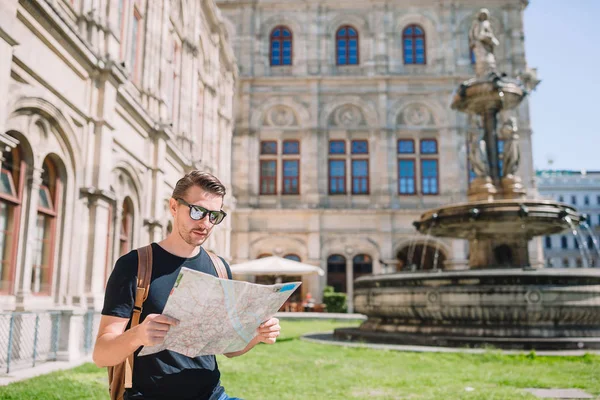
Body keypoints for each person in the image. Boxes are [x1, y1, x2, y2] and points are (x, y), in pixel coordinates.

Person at [93, 171, 281, 400]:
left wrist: (257, 335)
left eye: (214, 215)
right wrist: (138, 336)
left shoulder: (219, 267)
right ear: (174, 207)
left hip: (212, 395)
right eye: (197, 211)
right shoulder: (134, 265)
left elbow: (229, 349)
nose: (205, 223)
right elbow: (101, 355)